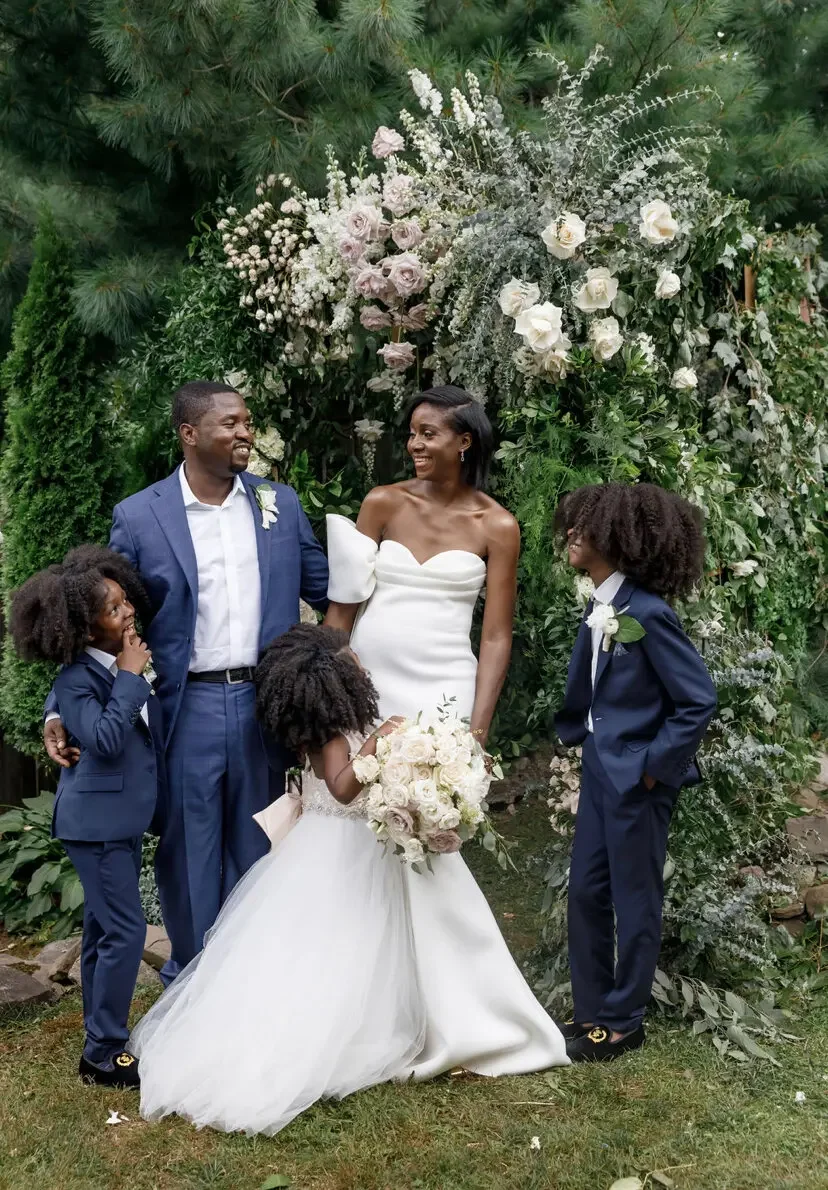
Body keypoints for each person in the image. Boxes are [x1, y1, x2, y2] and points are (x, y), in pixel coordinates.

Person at [42, 381, 329, 984]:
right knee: (188, 850)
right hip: (184, 706)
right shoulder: (139, 516)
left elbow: (328, 591)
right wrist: (58, 707)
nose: (245, 432)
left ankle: (255, 979)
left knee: (261, 842)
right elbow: (97, 618)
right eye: (231, 423)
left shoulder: (280, 503)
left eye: (248, 421)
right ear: (189, 433)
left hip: (265, 704)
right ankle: (191, 983)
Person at [324, 384, 568, 1083]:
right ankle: (357, 998)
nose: (415, 444)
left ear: (465, 441)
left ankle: (455, 1009)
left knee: (425, 838)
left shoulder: (498, 525)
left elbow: (495, 636)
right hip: (372, 687)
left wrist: (476, 731)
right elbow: (341, 612)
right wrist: (328, 687)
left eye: (429, 433)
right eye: (411, 432)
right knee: (355, 830)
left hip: (442, 697)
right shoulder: (381, 503)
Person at [131, 625, 419, 1134]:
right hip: (334, 851)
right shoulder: (331, 728)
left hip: (347, 846)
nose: (361, 662)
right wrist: (380, 741)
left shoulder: (341, 717)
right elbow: (343, 786)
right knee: (331, 945)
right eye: (352, 657)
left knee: (348, 941)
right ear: (333, 676)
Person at [553, 482, 717, 1062]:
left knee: (634, 896)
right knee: (586, 891)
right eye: (573, 524)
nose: (572, 534)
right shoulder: (603, 607)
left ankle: (624, 1022)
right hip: (601, 768)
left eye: (587, 526)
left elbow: (698, 699)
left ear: (619, 538)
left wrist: (652, 769)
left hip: (637, 779)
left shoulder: (647, 613)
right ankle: (591, 1011)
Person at [9, 546, 163, 1088]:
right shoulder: (80, 678)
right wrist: (129, 678)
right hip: (94, 826)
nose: (128, 612)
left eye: (125, 601)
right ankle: (104, 1053)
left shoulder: (121, 657)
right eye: (114, 609)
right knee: (125, 930)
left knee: (103, 932)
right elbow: (104, 739)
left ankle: (99, 1039)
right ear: (85, 627)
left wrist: (129, 671)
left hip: (119, 821)